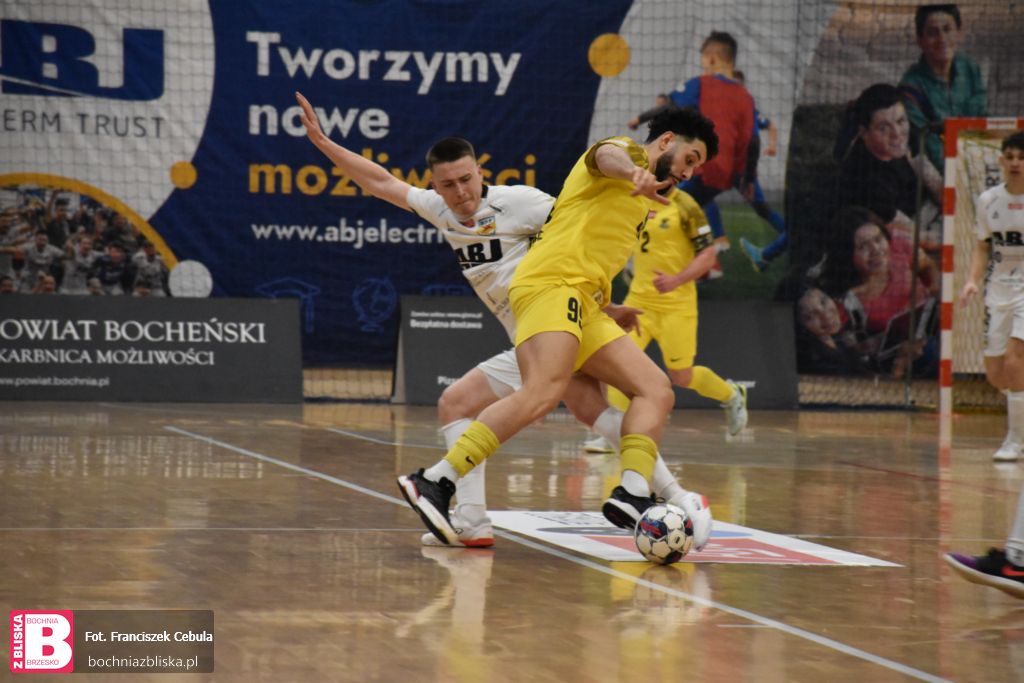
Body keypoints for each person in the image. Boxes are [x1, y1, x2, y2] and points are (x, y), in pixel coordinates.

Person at [295, 93, 714, 549]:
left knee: (643, 392)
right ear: (437, 188)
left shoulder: (522, 202)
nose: (461, 192)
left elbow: (577, 226)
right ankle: (461, 504)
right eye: (449, 185)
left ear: (481, 173)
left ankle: (639, 493)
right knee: (503, 402)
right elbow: (380, 181)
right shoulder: (445, 210)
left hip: (561, 305)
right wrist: (324, 145)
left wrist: (604, 303)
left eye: (466, 180)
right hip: (543, 307)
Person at [589, 187, 748, 454]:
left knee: (682, 376)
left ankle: (731, 394)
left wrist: (676, 280)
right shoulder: (636, 198)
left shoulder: (686, 206)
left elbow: (708, 256)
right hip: (638, 303)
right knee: (617, 365)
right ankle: (613, 435)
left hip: (677, 306)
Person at [629, 32, 755, 278]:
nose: (701, 65)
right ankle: (711, 257)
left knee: (659, 199)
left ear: (712, 58)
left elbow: (669, 106)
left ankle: (640, 260)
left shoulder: (702, 84)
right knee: (695, 204)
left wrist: (639, 119)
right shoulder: (745, 97)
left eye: (702, 59)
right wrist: (746, 177)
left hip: (703, 166)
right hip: (726, 173)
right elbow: (750, 142)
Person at [957, 132, 1024, 461]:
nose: (1015, 163)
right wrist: (971, 280)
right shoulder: (988, 201)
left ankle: (1015, 441)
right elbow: (983, 246)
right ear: (1001, 161)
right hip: (999, 291)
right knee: (996, 373)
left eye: (1021, 158)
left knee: (1016, 361)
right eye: (1010, 157)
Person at [836, 84, 943, 249]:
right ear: (864, 133)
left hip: (928, 211)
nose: (897, 134)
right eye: (883, 128)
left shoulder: (906, 135)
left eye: (901, 121)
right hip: (899, 235)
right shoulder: (864, 181)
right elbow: (919, 239)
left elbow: (938, 187)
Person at [899, 4, 987, 172]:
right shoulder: (910, 88)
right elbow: (928, 146)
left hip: (976, 160)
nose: (942, 39)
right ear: (920, 41)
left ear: (959, 34)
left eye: (947, 29)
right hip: (935, 175)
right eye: (932, 33)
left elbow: (982, 119)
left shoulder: (970, 68)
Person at [730, 69, 788, 273]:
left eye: (737, 84)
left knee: (762, 208)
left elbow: (769, 126)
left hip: (741, 168)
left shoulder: (747, 107)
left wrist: (771, 145)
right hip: (728, 166)